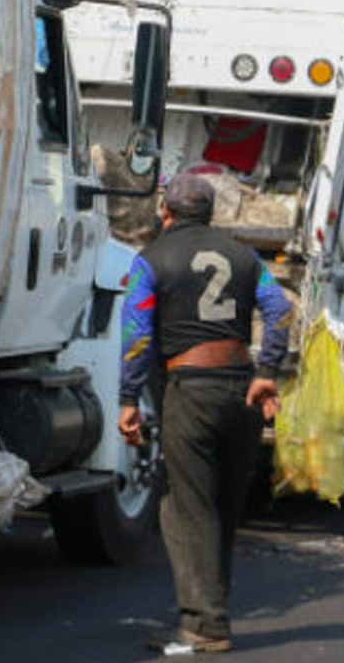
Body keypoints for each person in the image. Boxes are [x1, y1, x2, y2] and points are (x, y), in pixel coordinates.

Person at [119, 173, 291, 654]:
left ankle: (205, 626)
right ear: (210, 214)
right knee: (223, 508)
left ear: (165, 213)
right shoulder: (243, 256)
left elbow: (136, 335)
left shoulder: (150, 261)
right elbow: (278, 309)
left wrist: (129, 399)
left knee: (185, 507)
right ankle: (213, 612)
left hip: (191, 390)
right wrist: (268, 370)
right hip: (243, 390)